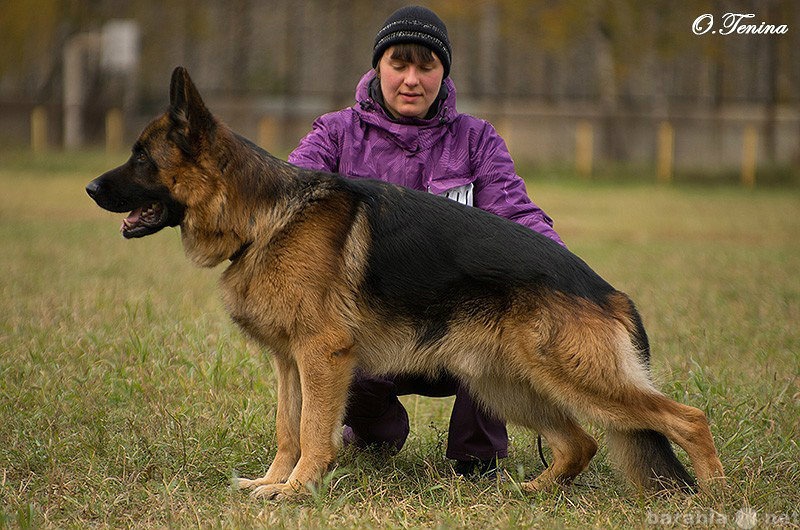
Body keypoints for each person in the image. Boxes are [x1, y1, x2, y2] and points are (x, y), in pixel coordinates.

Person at [288, 5, 564, 478]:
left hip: (460, 329)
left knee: (500, 331)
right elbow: (289, 196)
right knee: (338, 361)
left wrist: (565, 276)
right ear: (378, 66)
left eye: (426, 65)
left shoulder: (476, 140)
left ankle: (477, 457)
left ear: (443, 72)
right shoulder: (334, 134)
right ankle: (376, 435)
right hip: (373, 328)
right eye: (399, 63)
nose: (411, 79)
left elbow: (517, 217)